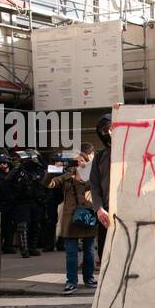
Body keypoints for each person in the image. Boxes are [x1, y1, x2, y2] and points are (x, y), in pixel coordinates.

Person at [49, 154, 97, 294]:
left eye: (81, 160)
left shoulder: (92, 176)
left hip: (88, 217)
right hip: (70, 219)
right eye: (76, 161)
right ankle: (71, 281)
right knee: (71, 253)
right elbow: (50, 184)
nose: (79, 163)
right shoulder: (67, 177)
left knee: (89, 251)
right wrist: (53, 169)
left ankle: (88, 277)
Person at [9, 150, 47, 257]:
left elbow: (46, 184)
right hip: (23, 201)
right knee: (23, 225)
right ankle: (24, 249)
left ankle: (32, 247)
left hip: (37, 201)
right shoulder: (20, 169)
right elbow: (9, 181)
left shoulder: (40, 170)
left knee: (36, 225)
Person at [90, 112, 114, 267]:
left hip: (132, 211)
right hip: (107, 212)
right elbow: (94, 185)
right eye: (105, 131)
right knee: (106, 253)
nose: (109, 133)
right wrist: (98, 208)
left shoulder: (134, 152)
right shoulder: (100, 157)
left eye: (112, 128)